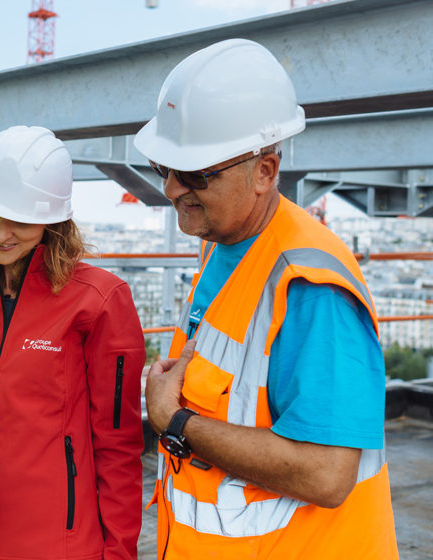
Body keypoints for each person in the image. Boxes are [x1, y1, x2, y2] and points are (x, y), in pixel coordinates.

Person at [134, 39, 398, 559]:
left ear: (264, 173)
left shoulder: (310, 287)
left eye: (193, 174)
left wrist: (177, 422)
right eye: (162, 166)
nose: (169, 189)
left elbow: (327, 476)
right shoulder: (224, 241)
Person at [0, 126, 146, 560]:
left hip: (55, 545)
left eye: (21, 220)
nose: (1, 233)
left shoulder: (99, 301)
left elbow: (118, 445)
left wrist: (119, 551)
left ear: (53, 220)